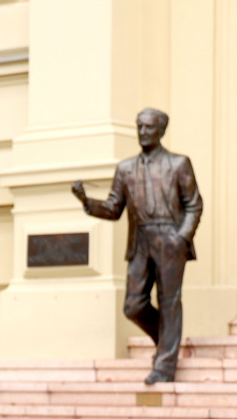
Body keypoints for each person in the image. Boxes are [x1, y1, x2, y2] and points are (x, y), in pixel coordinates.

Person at [71, 108, 202, 384]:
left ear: (161, 131)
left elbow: (193, 204)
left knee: (169, 301)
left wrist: (181, 237)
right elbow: (112, 208)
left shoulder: (179, 164)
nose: (142, 132)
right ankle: (166, 342)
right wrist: (86, 201)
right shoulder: (126, 168)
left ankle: (164, 367)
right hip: (141, 239)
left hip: (170, 237)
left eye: (148, 127)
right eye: (139, 126)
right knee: (133, 305)